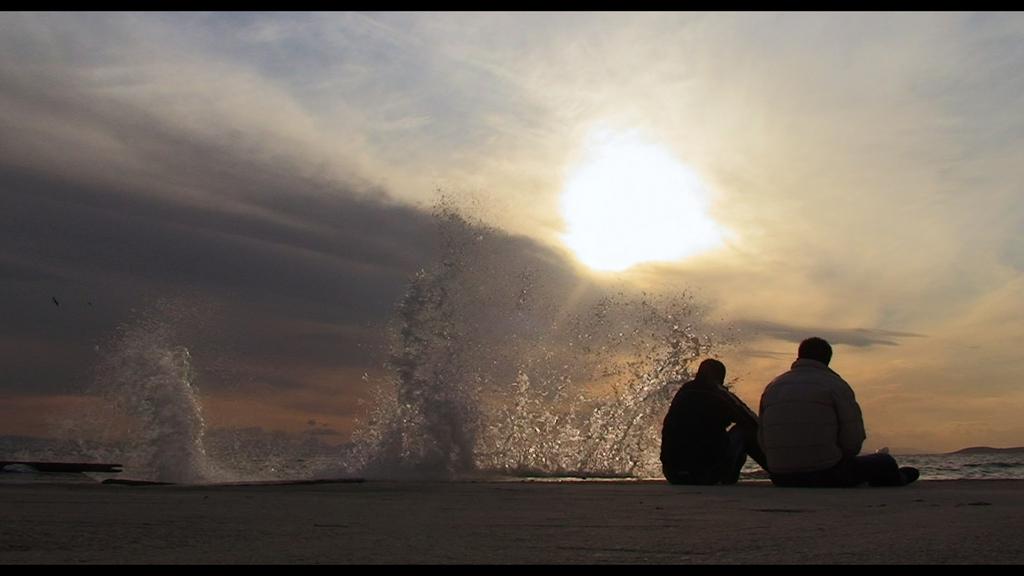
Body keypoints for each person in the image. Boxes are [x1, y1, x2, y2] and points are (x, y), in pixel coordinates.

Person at [758, 337, 919, 487]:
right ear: (828, 359)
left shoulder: (773, 387)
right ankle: (897, 478)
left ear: (799, 356)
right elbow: (852, 438)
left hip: (780, 477)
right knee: (884, 461)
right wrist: (840, 457)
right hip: (826, 473)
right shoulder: (835, 385)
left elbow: (762, 437)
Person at [660, 358, 768, 485]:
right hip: (706, 474)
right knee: (745, 431)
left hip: (672, 474)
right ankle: (776, 470)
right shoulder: (718, 393)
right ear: (720, 378)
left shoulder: (682, 393)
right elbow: (752, 421)